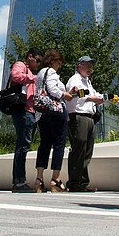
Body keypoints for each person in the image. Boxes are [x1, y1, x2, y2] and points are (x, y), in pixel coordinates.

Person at [33, 49, 72, 193]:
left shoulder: (40, 73)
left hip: (42, 113)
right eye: (59, 62)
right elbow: (52, 89)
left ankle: (39, 179)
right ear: (52, 61)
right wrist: (64, 95)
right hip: (56, 111)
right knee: (59, 144)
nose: (59, 65)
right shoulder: (51, 72)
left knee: (44, 144)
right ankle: (56, 179)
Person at [65, 56, 105, 193]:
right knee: (79, 147)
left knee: (87, 150)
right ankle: (74, 182)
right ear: (79, 65)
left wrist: (108, 97)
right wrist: (92, 98)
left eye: (91, 66)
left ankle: (82, 182)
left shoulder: (87, 82)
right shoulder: (74, 80)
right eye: (87, 65)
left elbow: (94, 94)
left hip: (89, 117)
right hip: (78, 116)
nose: (90, 69)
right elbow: (77, 95)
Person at [8, 47, 42, 192]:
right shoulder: (21, 65)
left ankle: (20, 181)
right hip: (23, 111)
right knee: (22, 146)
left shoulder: (32, 74)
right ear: (30, 57)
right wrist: (35, 78)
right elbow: (15, 76)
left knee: (24, 145)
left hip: (31, 112)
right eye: (38, 60)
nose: (39, 63)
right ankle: (19, 182)